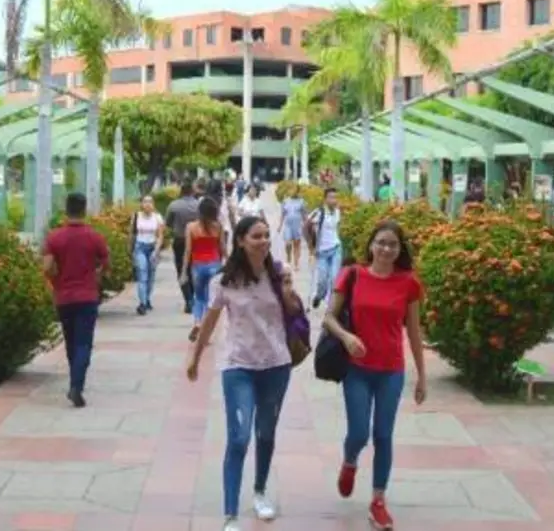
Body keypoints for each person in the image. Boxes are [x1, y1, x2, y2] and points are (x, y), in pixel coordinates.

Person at [186, 216, 297, 531]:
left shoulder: (278, 273)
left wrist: (288, 290)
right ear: (240, 241)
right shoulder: (224, 281)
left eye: (266, 235)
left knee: (266, 433)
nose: (263, 241)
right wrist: (195, 358)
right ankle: (231, 514)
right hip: (238, 366)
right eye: (256, 236)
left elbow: (293, 313)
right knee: (239, 436)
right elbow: (209, 321)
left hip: (276, 364)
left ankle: (260, 491)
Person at [323, 220, 427, 530]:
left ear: (399, 249)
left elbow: (414, 332)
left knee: (383, 435)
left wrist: (422, 376)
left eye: (392, 244)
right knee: (359, 433)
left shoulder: (408, 283)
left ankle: (378, 501)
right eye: (381, 242)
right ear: (371, 245)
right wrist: (346, 337)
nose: (386, 249)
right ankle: (350, 461)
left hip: (391, 371)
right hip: (357, 369)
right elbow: (328, 317)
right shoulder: (352, 274)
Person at [43, 192, 110, 408]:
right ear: (84, 209)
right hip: (87, 296)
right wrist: (96, 276)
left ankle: (75, 379)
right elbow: (106, 262)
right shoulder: (94, 237)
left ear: (66, 209)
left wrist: (55, 280)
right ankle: (76, 385)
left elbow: (46, 267)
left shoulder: (54, 237)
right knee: (84, 343)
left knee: (71, 341)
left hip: (64, 297)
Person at [182, 196, 227, 342]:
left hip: (198, 266)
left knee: (199, 297)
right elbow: (222, 247)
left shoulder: (191, 227)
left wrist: (183, 272)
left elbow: (188, 250)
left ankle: (197, 322)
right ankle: (205, 331)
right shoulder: (218, 227)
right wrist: (228, 263)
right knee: (210, 299)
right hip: (214, 265)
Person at [306, 188, 344, 309]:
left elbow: (337, 228)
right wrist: (311, 246)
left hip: (336, 248)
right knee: (322, 280)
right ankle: (319, 295)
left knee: (334, 278)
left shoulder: (337, 212)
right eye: (331, 197)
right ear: (325, 199)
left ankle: (330, 307)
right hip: (321, 251)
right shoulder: (318, 212)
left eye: (336, 197)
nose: (334, 200)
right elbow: (306, 226)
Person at [165, 181, 199, 314]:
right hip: (197, 240)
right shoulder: (198, 205)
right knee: (194, 269)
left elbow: (168, 223)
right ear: (192, 191)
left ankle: (188, 299)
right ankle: (194, 296)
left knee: (182, 269)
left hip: (180, 240)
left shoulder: (173, 205)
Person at [129, 194, 164, 315]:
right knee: (142, 274)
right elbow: (132, 234)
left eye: (150, 202)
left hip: (152, 247)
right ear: (141, 204)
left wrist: (156, 250)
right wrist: (130, 249)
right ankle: (142, 303)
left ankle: (147, 298)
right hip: (140, 247)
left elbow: (160, 236)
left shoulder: (157, 217)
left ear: (153, 205)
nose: (147, 204)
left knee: (151, 276)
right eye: (145, 201)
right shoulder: (136, 216)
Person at [278, 184, 306, 272]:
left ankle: (296, 263)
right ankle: (288, 256)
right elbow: (283, 214)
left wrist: (306, 225)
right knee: (288, 243)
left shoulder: (301, 201)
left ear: (298, 191)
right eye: (291, 190)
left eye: (295, 190)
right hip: (288, 225)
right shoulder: (285, 201)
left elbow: (304, 214)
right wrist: (280, 225)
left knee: (297, 245)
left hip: (297, 226)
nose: (293, 192)